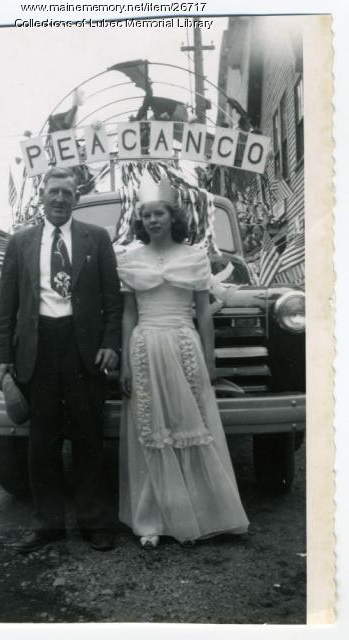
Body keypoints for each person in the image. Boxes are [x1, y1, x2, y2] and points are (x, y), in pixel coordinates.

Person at [117, 173, 249, 549]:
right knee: (152, 431)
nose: (152, 220)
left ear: (172, 217)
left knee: (189, 424)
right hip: (144, 347)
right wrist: (126, 362)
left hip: (183, 345)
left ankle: (200, 512)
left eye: (159, 213)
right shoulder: (131, 260)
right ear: (139, 221)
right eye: (146, 215)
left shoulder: (193, 257)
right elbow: (128, 314)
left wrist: (209, 360)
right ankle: (155, 518)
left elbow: (204, 314)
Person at [0, 166, 122, 553]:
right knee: (42, 442)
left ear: (76, 197)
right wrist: (2, 361)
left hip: (84, 350)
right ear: (42, 196)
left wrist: (111, 343)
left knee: (88, 437)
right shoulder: (20, 243)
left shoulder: (96, 239)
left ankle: (94, 523)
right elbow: (7, 309)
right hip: (38, 350)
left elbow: (113, 301)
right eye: (54, 192)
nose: (60, 199)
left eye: (67, 192)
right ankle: (48, 525)